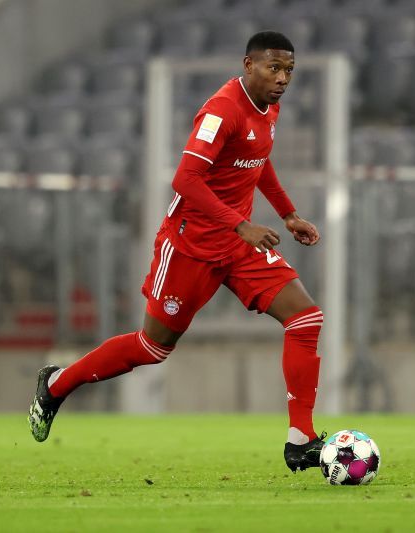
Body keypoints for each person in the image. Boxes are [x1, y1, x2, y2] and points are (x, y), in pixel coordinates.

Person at [28, 31, 326, 472]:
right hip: (190, 245)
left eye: (288, 71)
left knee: (306, 317)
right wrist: (241, 224)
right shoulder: (222, 110)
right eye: (273, 68)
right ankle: (56, 385)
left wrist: (287, 214)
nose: (282, 78)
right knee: (153, 347)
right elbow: (185, 180)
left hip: (238, 246)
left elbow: (257, 160)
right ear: (248, 65)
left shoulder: (269, 108)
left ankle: (300, 439)